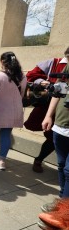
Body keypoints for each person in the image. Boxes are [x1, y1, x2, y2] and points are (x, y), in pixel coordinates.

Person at [26, 47, 69, 173]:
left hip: (64, 110)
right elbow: (31, 76)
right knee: (52, 136)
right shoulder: (53, 63)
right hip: (50, 107)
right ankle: (39, 160)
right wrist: (43, 82)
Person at [0, 52, 27, 170]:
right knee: (6, 134)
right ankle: (2, 160)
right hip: (14, 111)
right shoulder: (23, 77)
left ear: (2, 62)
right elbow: (22, 94)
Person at [42, 63, 69, 202]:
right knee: (61, 165)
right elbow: (58, 92)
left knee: (68, 171)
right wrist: (48, 116)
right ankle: (62, 199)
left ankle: (64, 209)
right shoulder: (67, 67)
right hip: (60, 127)